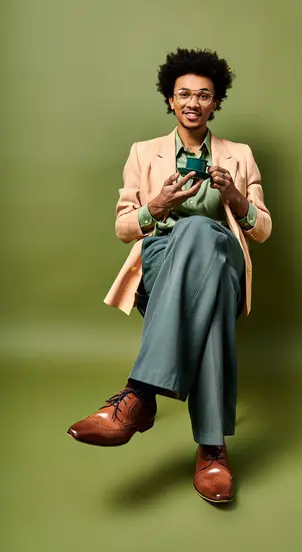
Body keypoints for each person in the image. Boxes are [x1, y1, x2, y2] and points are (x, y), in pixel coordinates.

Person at [67, 48, 272, 503]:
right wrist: (154, 207)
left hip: (224, 254)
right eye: (184, 95)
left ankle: (139, 395)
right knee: (211, 295)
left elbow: (261, 230)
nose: (193, 103)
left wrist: (235, 198)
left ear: (216, 103)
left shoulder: (238, 155)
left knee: (203, 232)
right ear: (170, 100)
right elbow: (124, 229)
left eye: (204, 95)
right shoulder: (144, 153)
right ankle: (212, 450)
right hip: (160, 262)